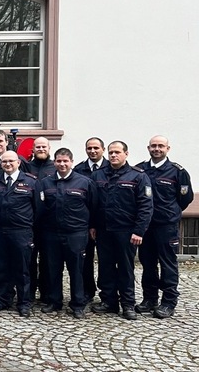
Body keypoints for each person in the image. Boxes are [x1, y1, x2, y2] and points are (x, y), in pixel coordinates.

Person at [90, 141, 153, 320]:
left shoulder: (138, 176)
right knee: (105, 266)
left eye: (117, 152)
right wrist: (93, 225)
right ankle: (109, 301)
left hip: (126, 231)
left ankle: (127, 304)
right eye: (110, 152)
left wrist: (139, 231)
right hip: (104, 230)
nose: (113, 155)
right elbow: (93, 204)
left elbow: (146, 206)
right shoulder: (98, 175)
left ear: (126, 154)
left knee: (126, 268)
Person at [135, 136, 193, 318]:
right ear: (148, 148)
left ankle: (168, 302)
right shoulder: (140, 170)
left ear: (168, 148)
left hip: (166, 226)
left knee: (168, 263)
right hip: (146, 226)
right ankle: (149, 299)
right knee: (147, 263)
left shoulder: (177, 172)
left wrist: (171, 212)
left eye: (161, 146)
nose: (157, 149)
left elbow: (185, 198)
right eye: (154, 146)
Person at [35, 148, 97, 319]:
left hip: (76, 234)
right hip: (51, 234)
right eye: (59, 161)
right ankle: (54, 301)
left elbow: (94, 207)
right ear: (54, 162)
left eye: (65, 161)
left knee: (76, 270)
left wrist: (91, 227)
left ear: (71, 162)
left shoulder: (84, 182)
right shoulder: (45, 183)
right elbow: (40, 208)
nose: (62, 164)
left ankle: (78, 303)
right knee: (53, 269)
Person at [0, 151, 36, 317]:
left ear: (18, 163)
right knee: (1, 268)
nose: (7, 164)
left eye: (11, 161)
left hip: (21, 231)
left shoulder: (30, 182)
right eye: (4, 161)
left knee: (22, 269)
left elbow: (39, 209)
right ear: (0, 163)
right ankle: (2, 299)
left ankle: (24, 303)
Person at [73, 137, 107, 304]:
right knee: (85, 260)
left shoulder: (111, 168)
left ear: (103, 149)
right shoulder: (79, 169)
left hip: (105, 223)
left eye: (96, 148)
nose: (93, 151)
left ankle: (107, 294)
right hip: (84, 224)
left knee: (106, 260)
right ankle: (87, 290)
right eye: (89, 148)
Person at [26, 137, 55, 303]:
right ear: (33, 149)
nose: (41, 149)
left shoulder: (55, 167)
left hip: (49, 223)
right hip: (29, 223)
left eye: (44, 146)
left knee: (48, 260)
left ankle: (46, 293)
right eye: (38, 147)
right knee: (29, 260)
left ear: (49, 148)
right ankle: (29, 292)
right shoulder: (27, 167)